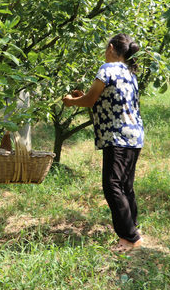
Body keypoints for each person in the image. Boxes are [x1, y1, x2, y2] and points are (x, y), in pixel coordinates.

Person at [62, 33, 144, 252]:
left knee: (112, 186)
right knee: (125, 185)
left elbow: (89, 100)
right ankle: (132, 227)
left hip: (116, 136)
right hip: (134, 135)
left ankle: (129, 238)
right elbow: (105, 100)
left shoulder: (107, 69)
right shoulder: (130, 72)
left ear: (110, 48)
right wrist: (84, 98)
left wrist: (71, 102)